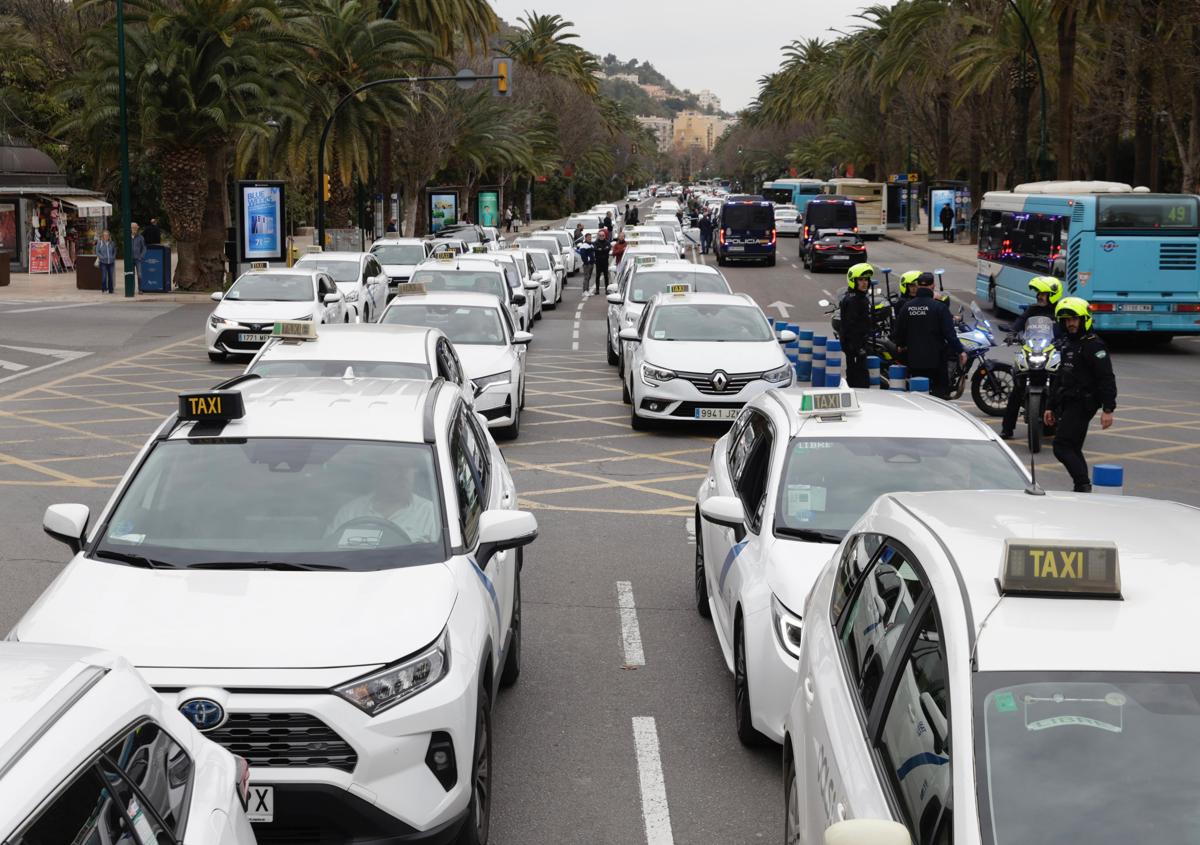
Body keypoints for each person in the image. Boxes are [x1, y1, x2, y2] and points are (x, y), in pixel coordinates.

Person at [1044, 297, 1117, 493]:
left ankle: (1082, 484)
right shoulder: (1068, 343)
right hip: (1067, 401)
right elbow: (1059, 377)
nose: (1071, 324)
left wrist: (1108, 409)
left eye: (1074, 319)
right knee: (1073, 447)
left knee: (1061, 446)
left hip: (1083, 403)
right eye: (1067, 320)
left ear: (1084, 319)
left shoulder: (1094, 345)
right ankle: (1082, 486)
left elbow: (1106, 378)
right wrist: (1050, 406)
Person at [1000, 276, 1063, 440]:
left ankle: (1063, 425)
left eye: (1043, 293)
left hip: (1054, 351)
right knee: (1017, 389)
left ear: (1053, 294)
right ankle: (1007, 428)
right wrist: (1012, 332)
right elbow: (1020, 322)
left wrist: (1066, 341)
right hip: (1033, 349)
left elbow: (1069, 330)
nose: (1039, 296)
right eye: (1038, 293)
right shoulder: (1032, 310)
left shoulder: (1061, 311)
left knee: (1064, 385)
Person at [894, 272, 965, 399]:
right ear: (933, 286)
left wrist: (901, 345)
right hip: (936, 361)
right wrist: (961, 351)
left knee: (918, 396)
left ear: (918, 286)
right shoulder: (939, 307)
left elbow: (898, 333)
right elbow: (950, 334)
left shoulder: (907, 307)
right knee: (939, 398)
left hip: (915, 361)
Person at [332, 463, 439, 544]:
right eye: (396, 467)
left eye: (409, 467)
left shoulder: (431, 514)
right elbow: (330, 548)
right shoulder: (350, 512)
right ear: (378, 471)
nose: (403, 474)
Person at [839, 263, 874, 388]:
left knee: (860, 376)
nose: (864, 283)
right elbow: (850, 327)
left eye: (866, 280)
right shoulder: (854, 300)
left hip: (858, 345)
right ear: (853, 281)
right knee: (858, 379)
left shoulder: (860, 297)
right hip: (855, 347)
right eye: (861, 280)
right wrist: (857, 348)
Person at [96, 229, 116, 294]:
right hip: (103, 262)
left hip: (111, 262)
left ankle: (111, 290)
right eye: (105, 235)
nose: (106, 236)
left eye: (107, 235)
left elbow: (114, 251)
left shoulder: (112, 243)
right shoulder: (100, 243)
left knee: (110, 276)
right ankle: (104, 289)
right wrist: (102, 257)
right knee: (104, 276)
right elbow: (97, 252)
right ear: (103, 236)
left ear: (109, 236)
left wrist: (113, 257)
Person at [592, 229, 612, 294]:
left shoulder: (607, 242)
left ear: (604, 236)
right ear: (598, 236)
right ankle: (597, 290)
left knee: (606, 276)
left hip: (605, 262)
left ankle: (607, 290)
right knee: (597, 276)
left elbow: (608, 249)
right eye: (600, 235)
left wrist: (601, 250)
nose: (601, 237)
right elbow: (595, 249)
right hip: (598, 262)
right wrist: (602, 250)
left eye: (603, 235)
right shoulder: (595, 242)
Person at [130, 223, 146, 288]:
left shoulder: (140, 237)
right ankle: (132, 289)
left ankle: (140, 289)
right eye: (133, 228)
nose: (134, 229)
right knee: (131, 275)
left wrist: (141, 256)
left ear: (137, 228)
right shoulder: (128, 237)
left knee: (139, 274)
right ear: (130, 229)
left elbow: (144, 248)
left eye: (135, 228)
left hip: (138, 259)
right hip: (130, 259)